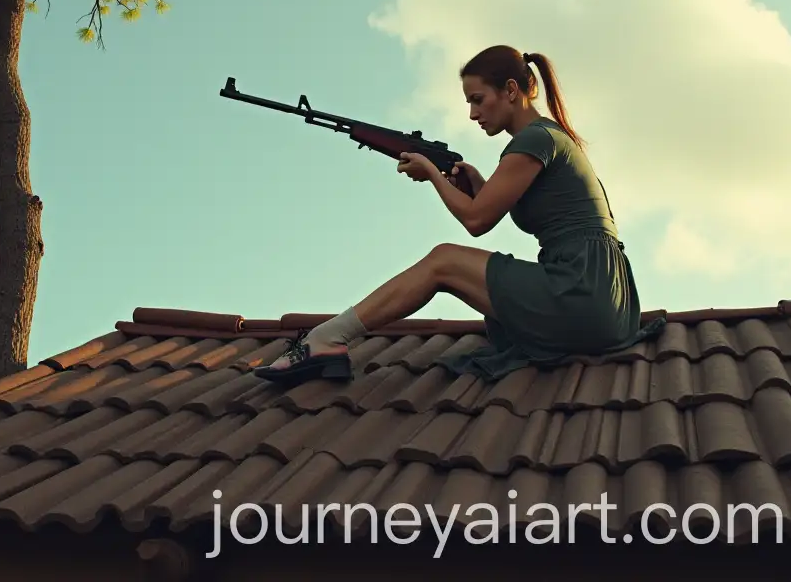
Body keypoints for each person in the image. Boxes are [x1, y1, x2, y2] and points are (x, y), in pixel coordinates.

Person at [255, 45, 665, 386]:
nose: (472, 114)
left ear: (510, 90)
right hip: (604, 297)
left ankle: (326, 338)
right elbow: (495, 208)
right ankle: (327, 338)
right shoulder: (548, 137)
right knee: (449, 261)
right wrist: (478, 182)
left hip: (581, 291)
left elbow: (476, 222)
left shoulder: (534, 139)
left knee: (443, 261)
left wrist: (433, 175)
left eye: (477, 100)